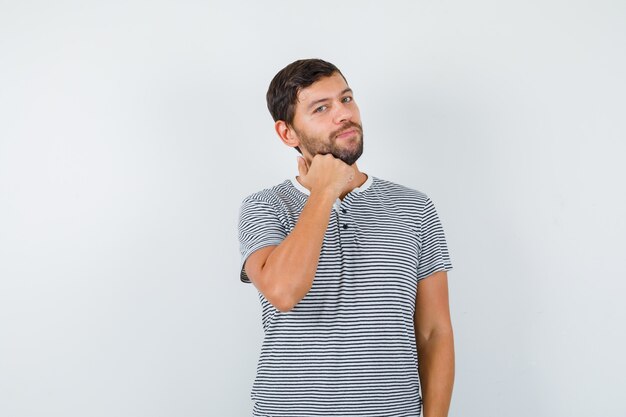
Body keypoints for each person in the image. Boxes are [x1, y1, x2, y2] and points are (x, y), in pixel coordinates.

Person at [237, 58, 454, 417]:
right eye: (321, 108)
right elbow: (283, 291)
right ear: (287, 133)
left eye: (347, 99)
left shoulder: (415, 207)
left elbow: (434, 331)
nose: (343, 114)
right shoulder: (264, 207)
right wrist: (323, 192)